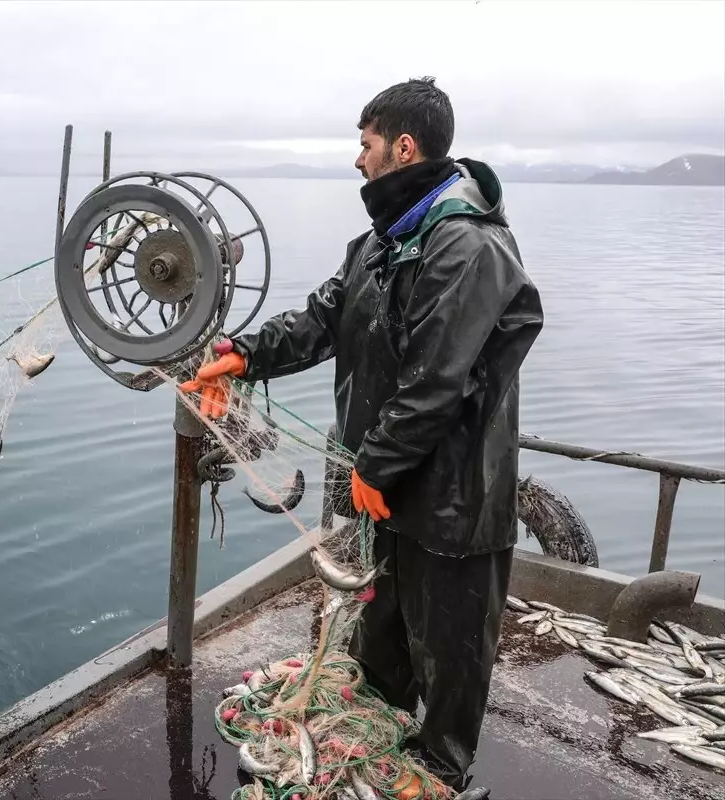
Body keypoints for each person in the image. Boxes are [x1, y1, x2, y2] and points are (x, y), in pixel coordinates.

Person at [180, 77, 544, 791]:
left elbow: (437, 381)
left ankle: (440, 770)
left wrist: (372, 467)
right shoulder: (381, 245)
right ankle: (373, 732)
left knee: (451, 648)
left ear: (403, 147)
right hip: (385, 488)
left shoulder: (467, 248)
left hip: (452, 499)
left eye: (366, 144)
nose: (358, 160)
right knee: (380, 637)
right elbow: (321, 320)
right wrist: (246, 354)